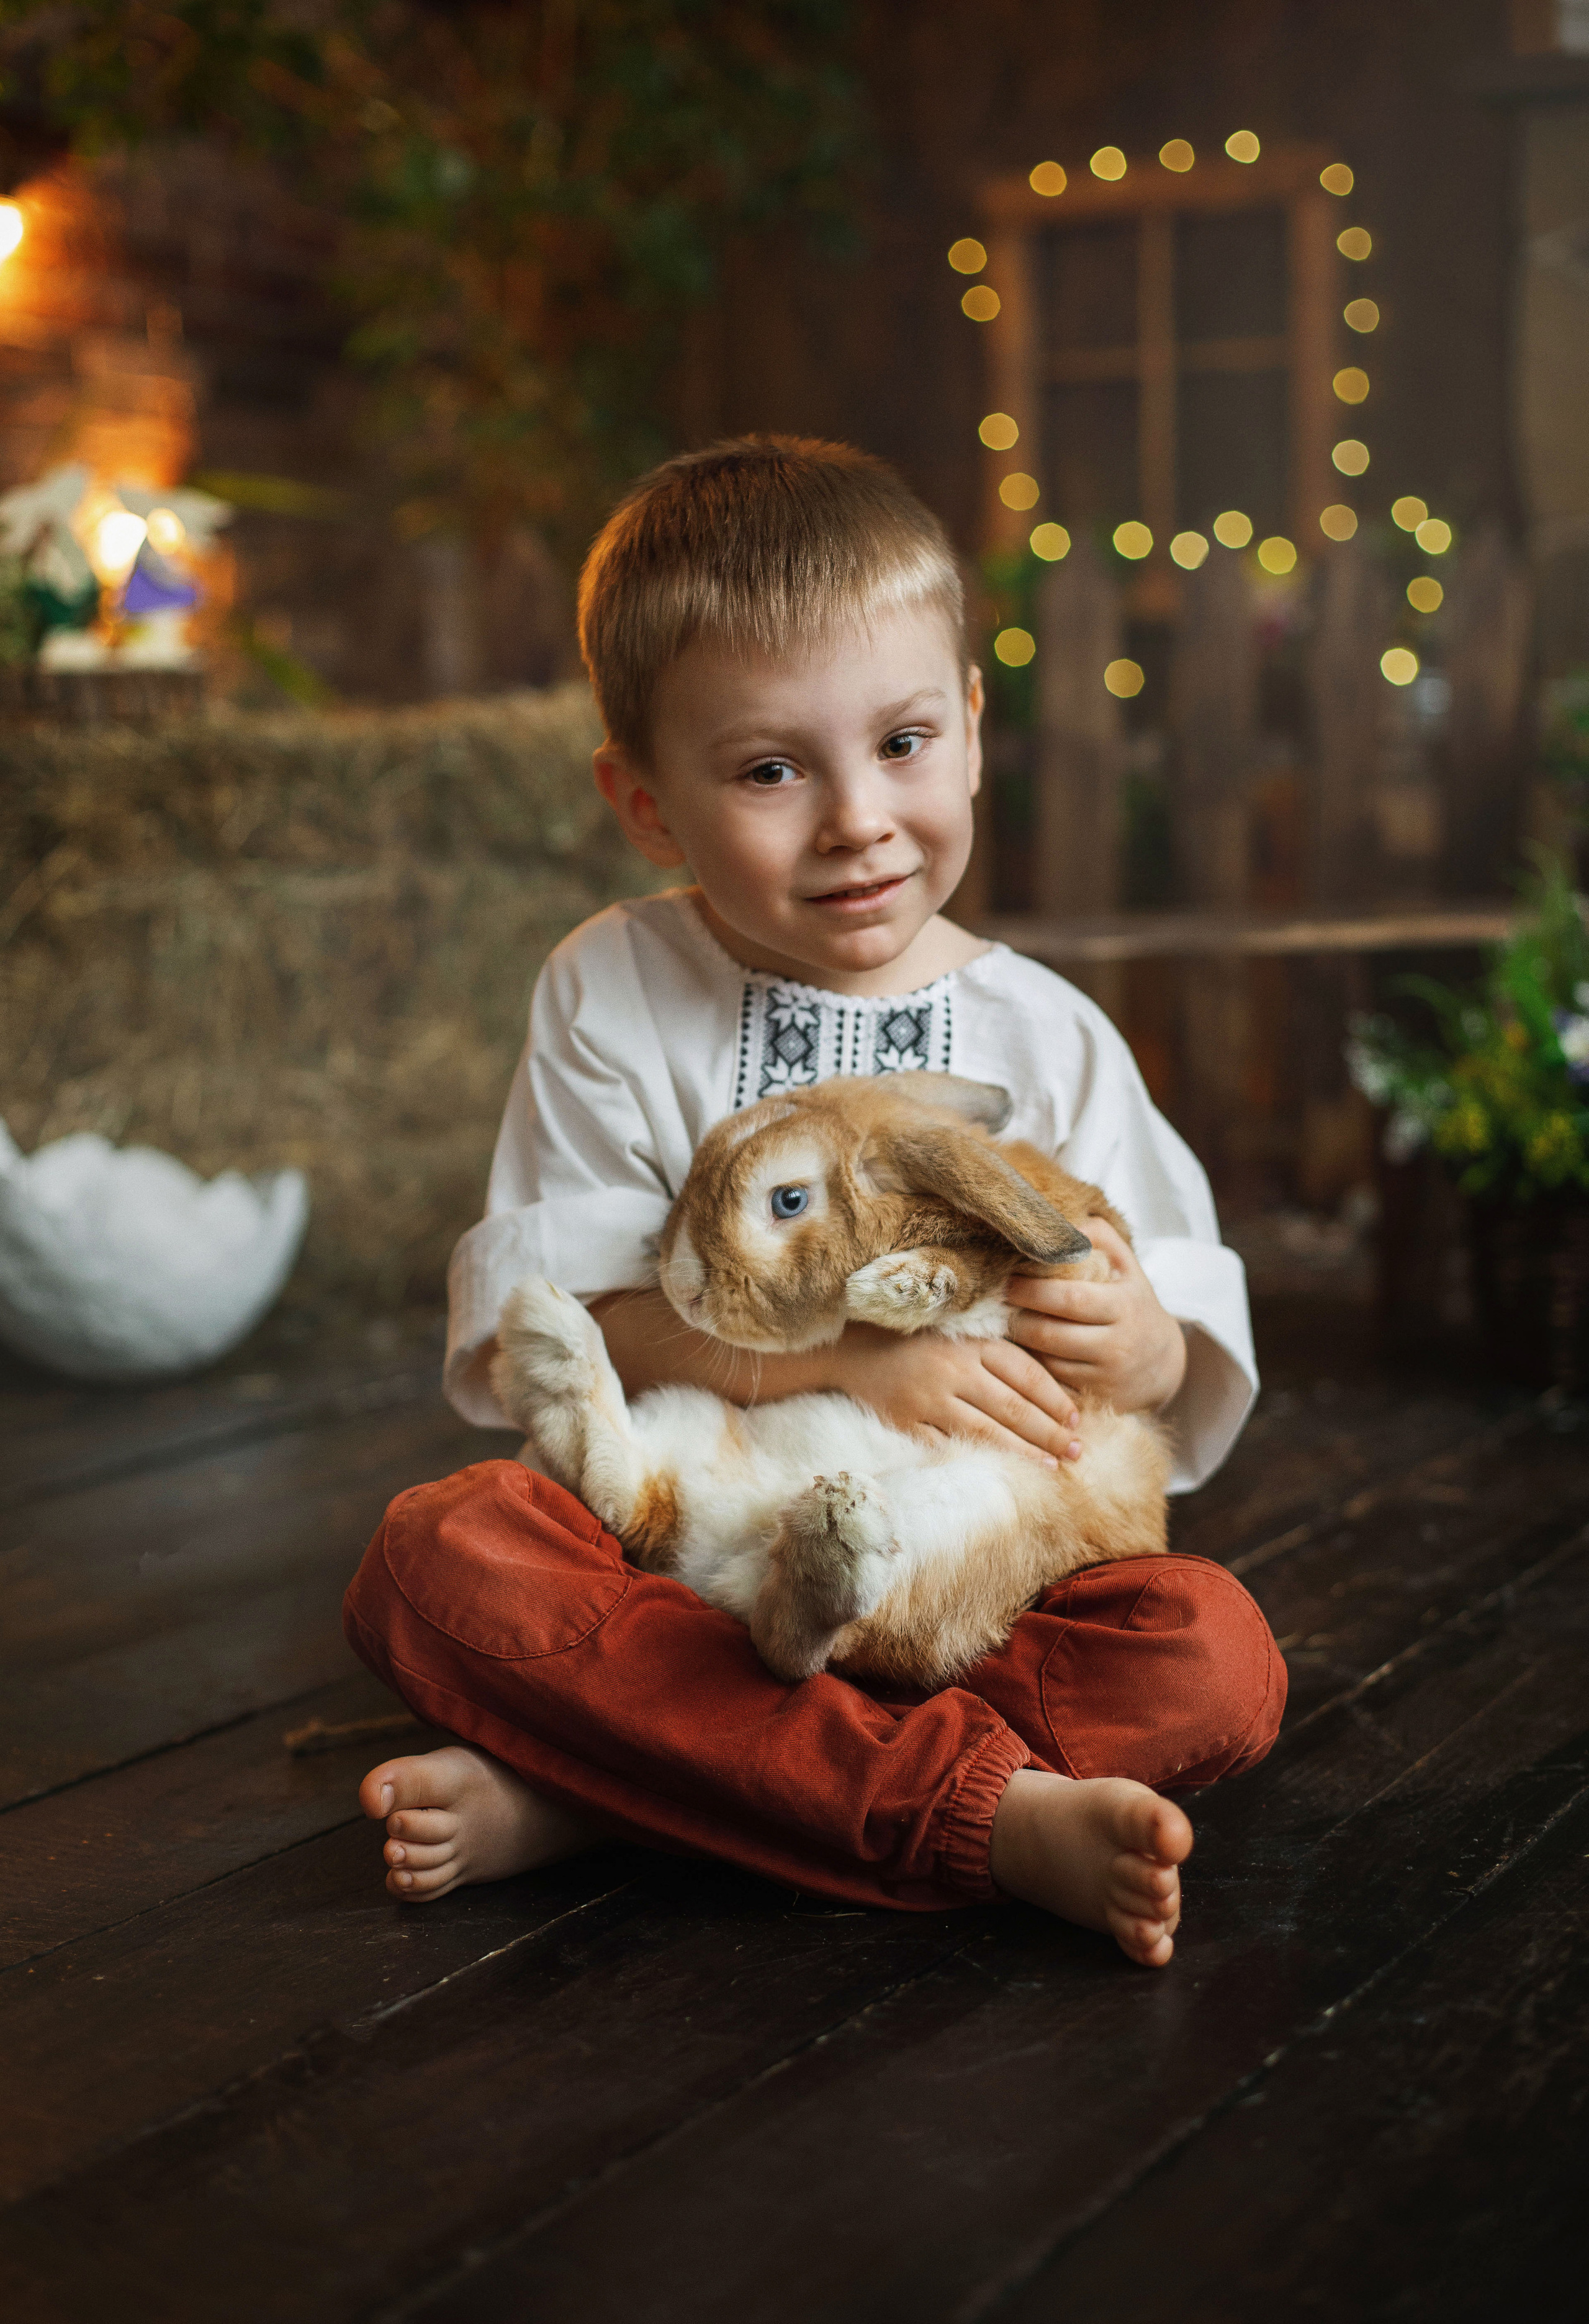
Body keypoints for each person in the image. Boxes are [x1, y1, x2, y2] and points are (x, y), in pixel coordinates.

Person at [346, 436, 1285, 1970]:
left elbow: (1169, 1352)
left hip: (957, 1601)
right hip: (683, 1578)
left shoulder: (1041, 1034)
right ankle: (982, 1820)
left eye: (903, 742)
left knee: (1213, 1665)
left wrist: (1135, 1342)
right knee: (437, 1555)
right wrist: (849, 1364)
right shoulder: (612, 989)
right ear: (644, 802)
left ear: (974, 733)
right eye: (771, 769)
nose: (855, 816)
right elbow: (574, 1326)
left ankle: (619, 1790)